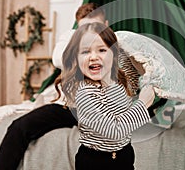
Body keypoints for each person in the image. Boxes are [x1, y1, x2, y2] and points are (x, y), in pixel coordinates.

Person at [0, 3, 163, 170]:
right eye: (83, 30)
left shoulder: (118, 49)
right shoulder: (72, 44)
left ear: (106, 25)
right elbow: (59, 57)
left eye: (95, 28)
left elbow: (138, 80)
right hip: (71, 108)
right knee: (19, 126)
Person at [61, 22, 154, 169]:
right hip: (96, 161)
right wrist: (142, 104)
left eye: (102, 50)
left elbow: (136, 84)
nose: (93, 57)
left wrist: (140, 66)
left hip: (124, 153)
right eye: (85, 52)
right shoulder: (85, 94)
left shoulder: (119, 79)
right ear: (76, 59)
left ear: (113, 54)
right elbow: (114, 131)